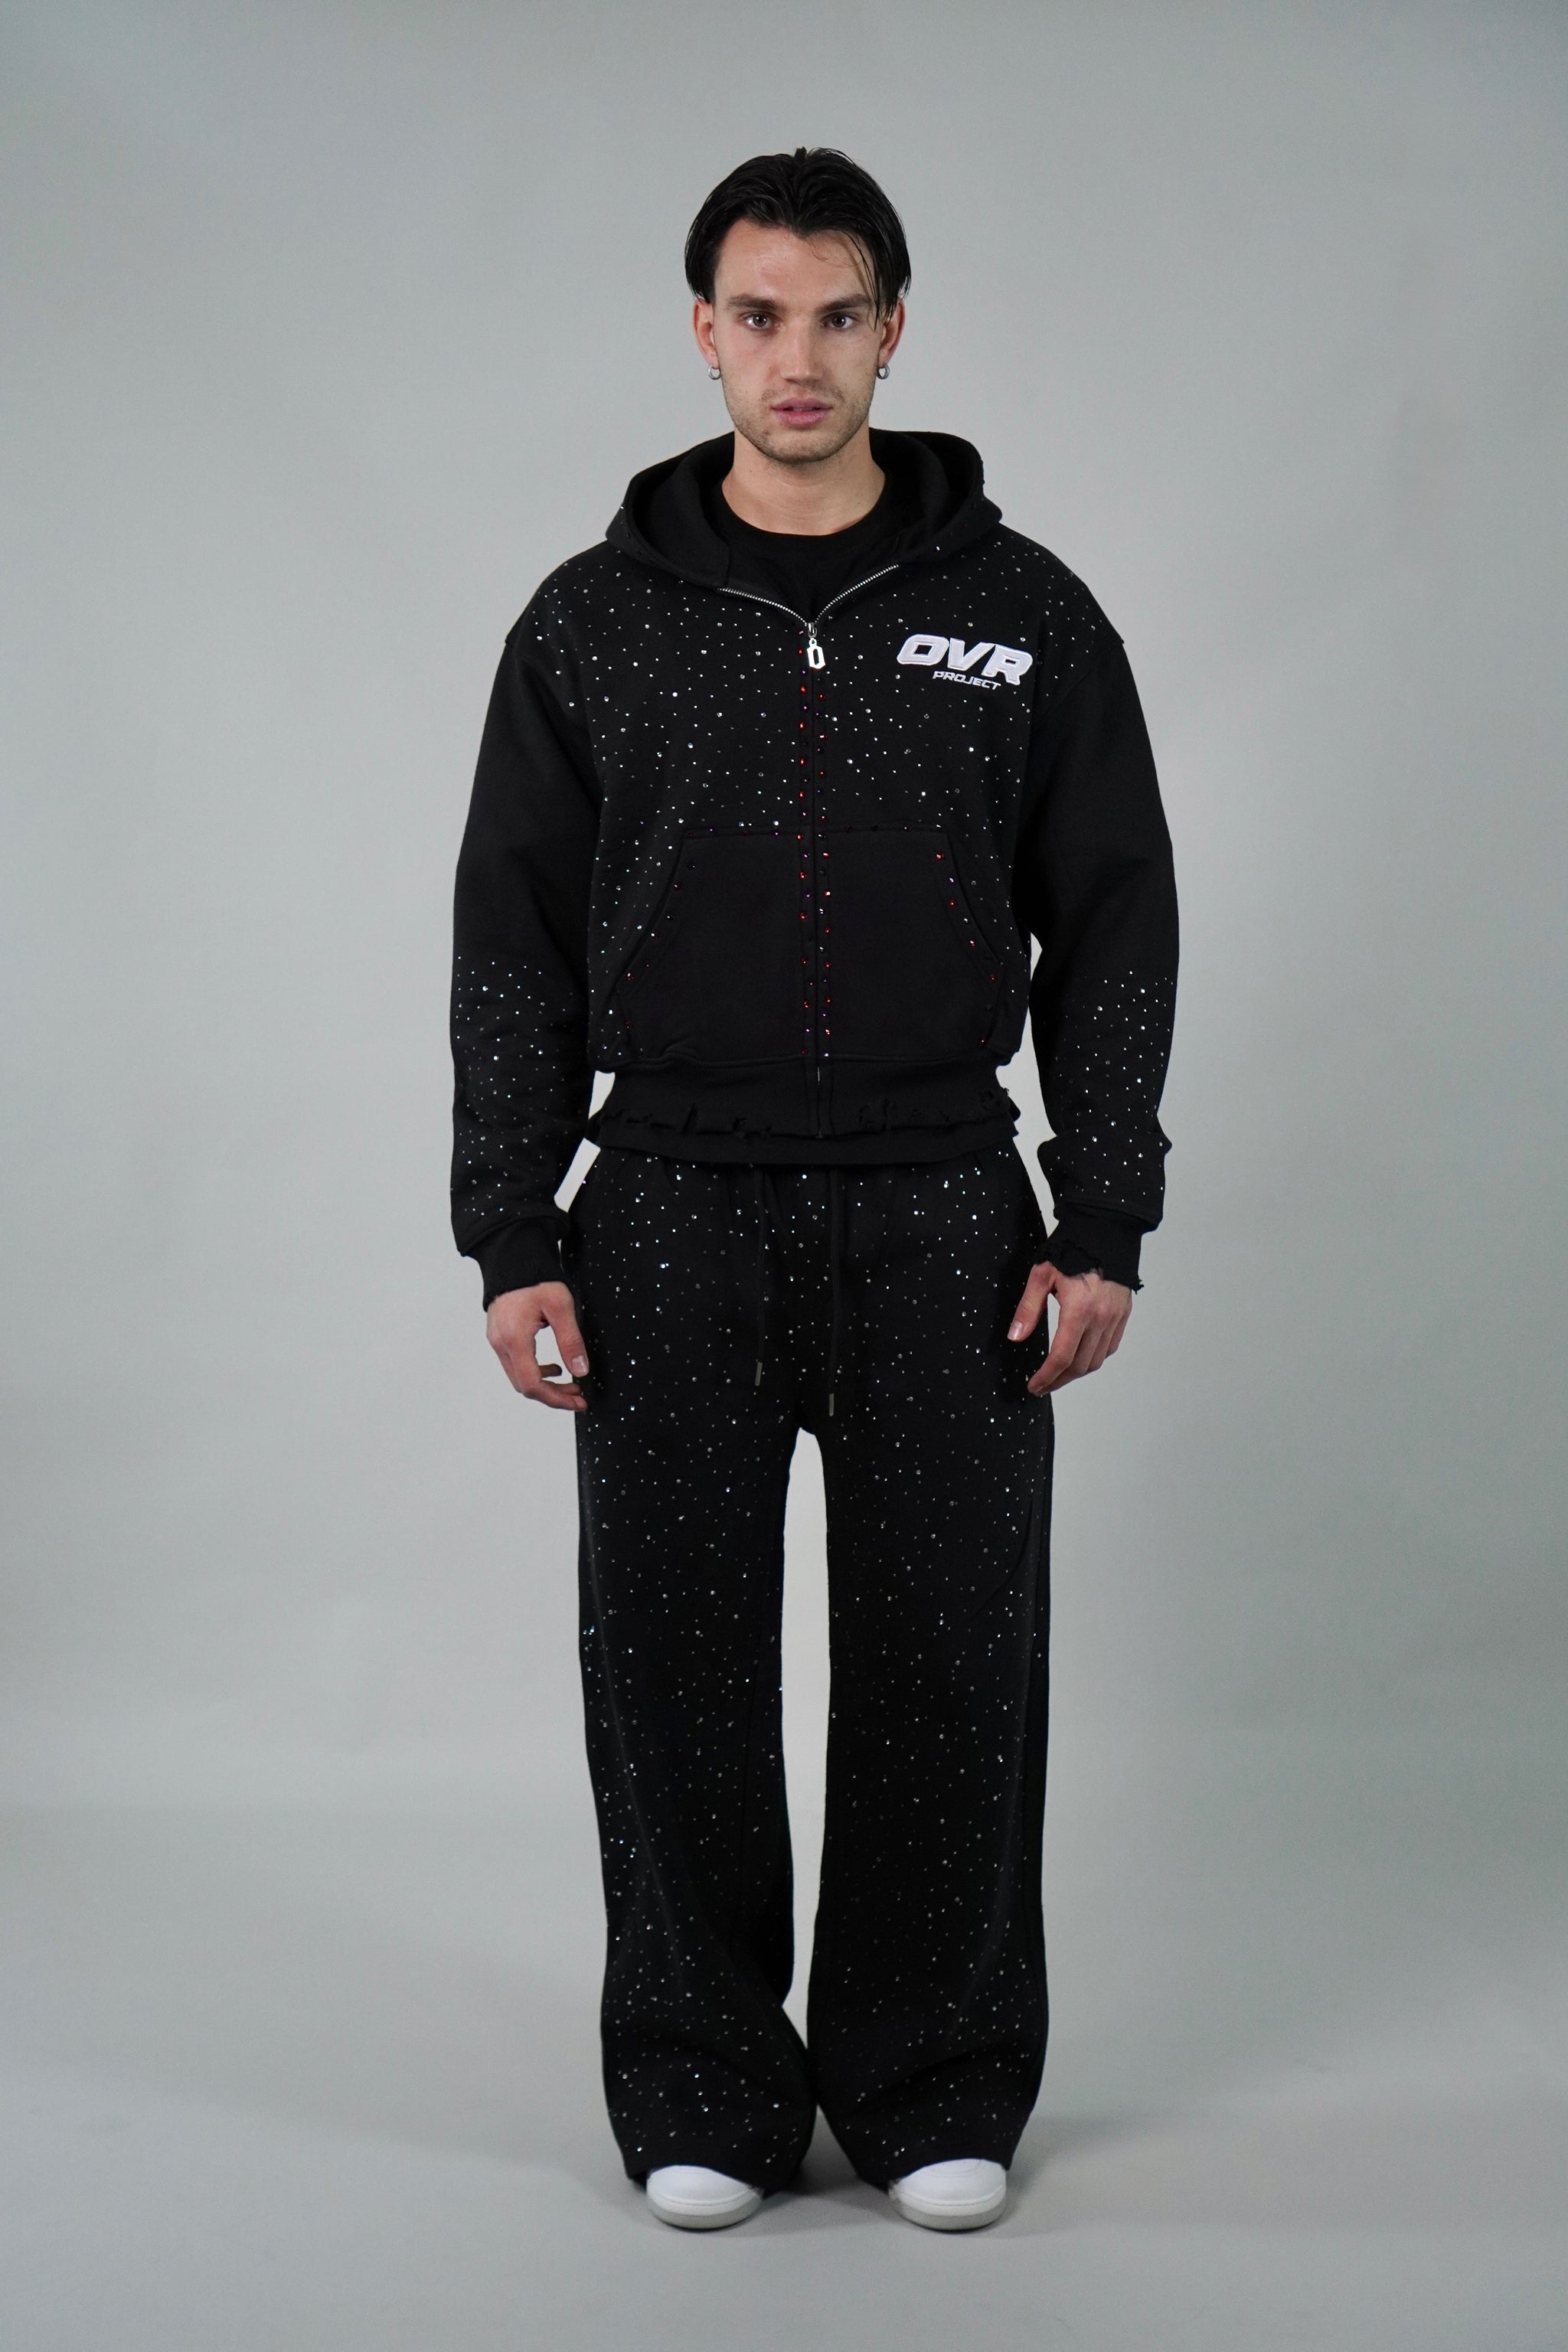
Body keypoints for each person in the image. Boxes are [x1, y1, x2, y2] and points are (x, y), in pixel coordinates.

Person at [449, 147, 1178, 2233]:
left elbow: (1115, 920)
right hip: (667, 1207)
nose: (800, 356)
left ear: (894, 330)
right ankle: (702, 2088)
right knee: (670, 1675)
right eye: (759, 316)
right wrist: (514, 1227)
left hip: (948, 1210)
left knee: (952, 1663)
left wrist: (1099, 1212)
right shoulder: (595, 622)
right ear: (703, 331)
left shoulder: (1020, 615)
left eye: (839, 315)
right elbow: (511, 938)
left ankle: (933, 2085)